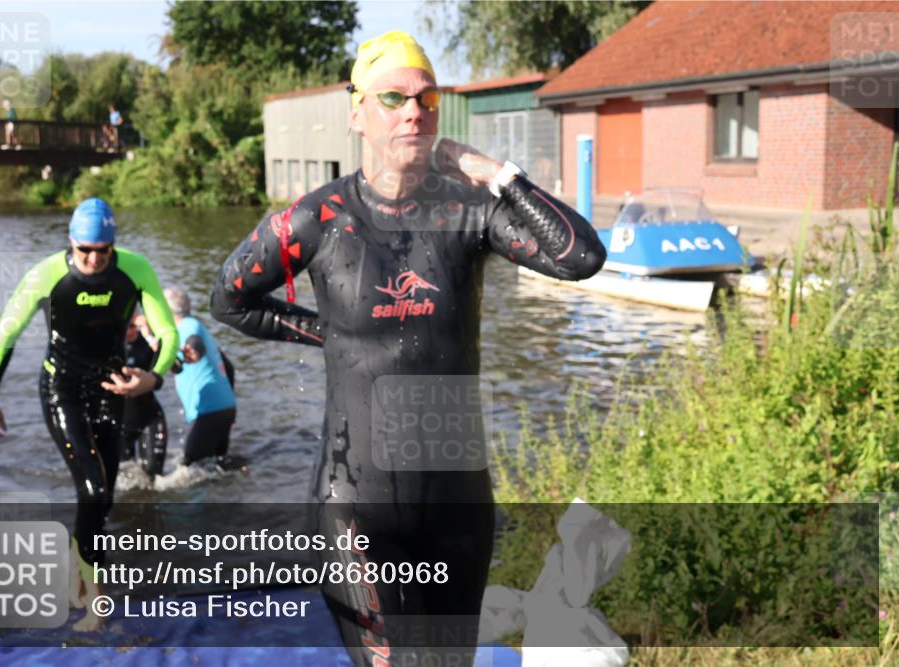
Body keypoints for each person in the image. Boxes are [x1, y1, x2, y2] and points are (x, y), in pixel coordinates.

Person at [211, 31, 605, 667]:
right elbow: (229, 299)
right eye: (392, 97)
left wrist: (494, 172)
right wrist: (324, 333)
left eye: (427, 98)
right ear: (358, 110)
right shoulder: (318, 218)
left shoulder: (470, 213)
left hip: (457, 508)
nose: (412, 112)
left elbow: (581, 257)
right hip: (355, 510)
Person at [0, 197, 178, 631]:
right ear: (71, 242)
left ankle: (78, 568)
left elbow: (168, 332)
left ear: (113, 247)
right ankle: (94, 603)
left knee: (103, 496)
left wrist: (153, 378)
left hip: (111, 387)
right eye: (83, 249)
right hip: (60, 389)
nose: (90, 258)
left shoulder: (135, 269)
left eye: (100, 251)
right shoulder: (46, 274)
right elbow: (3, 337)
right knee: (92, 490)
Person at [164, 287, 237, 467]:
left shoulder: (185, 329)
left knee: (189, 466)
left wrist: (192, 352)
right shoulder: (197, 325)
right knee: (219, 467)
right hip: (225, 407)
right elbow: (229, 367)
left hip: (210, 410)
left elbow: (194, 344)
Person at [120, 313, 168, 476]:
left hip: (149, 416)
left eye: (133, 326)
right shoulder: (112, 347)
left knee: (153, 474)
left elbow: (175, 366)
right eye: (126, 327)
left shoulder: (146, 343)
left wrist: (148, 335)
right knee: (125, 478)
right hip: (120, 422)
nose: (130, 331)